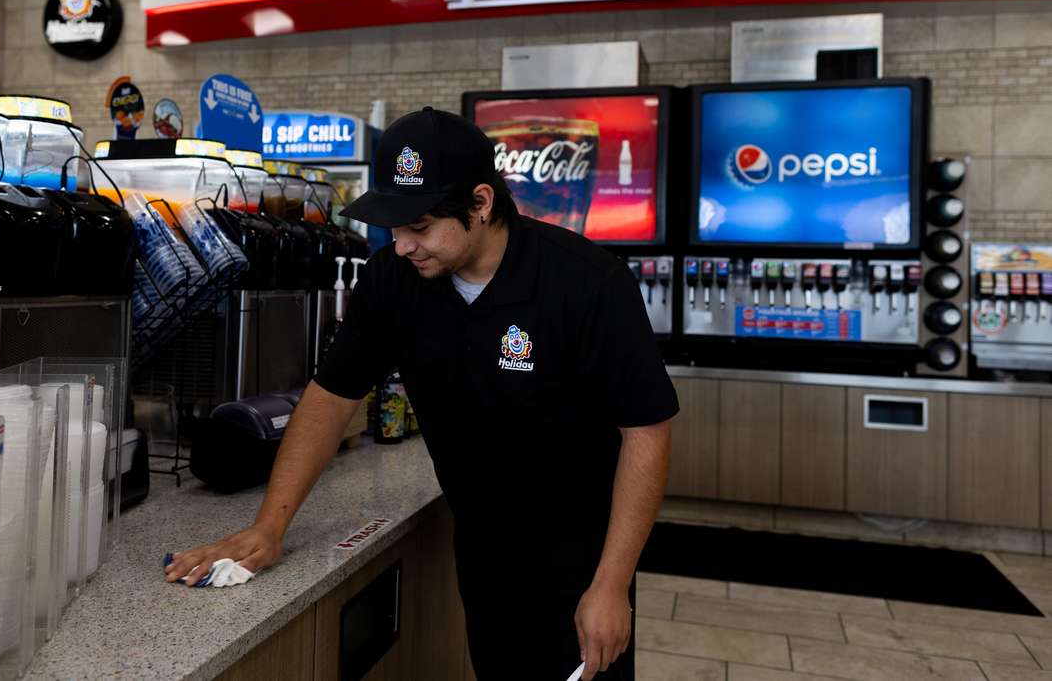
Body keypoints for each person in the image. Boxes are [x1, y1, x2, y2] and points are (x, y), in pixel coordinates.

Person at [165, 107, 678, 680]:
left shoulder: (585, 282)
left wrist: (610, 586)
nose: (403, 246)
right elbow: (330, 398)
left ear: (481, 204)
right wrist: (269, 527)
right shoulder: (392, 280)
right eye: (393, 228)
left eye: (420, 227)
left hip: (582, 557)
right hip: (481, 549)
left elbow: (647, 430)